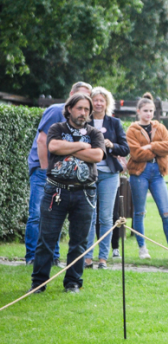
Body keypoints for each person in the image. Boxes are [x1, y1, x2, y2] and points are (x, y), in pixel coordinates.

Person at [29, 93, 106, 294]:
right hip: (56, 192)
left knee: (79, 242)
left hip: (84, 194)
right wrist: (81, 146)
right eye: (79, 108)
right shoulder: (57, 128)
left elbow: (97, 155)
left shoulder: (95, 133)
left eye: (86, 110)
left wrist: (67, 149)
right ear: (70, 109)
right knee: (46, 239)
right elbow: (53, 146)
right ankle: (38, 283)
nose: (83, 113)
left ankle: (73, 283)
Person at [25, 81, 92, 265]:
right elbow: (42, 141)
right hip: (43, 169)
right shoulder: (56, 110)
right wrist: (47, 171)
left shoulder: (81, 118)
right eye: (79, 95)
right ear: (71, 94)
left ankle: (53, 258)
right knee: (38, 214)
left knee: (54, 214)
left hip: (62, 172)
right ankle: (31, 257)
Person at [126, 93, 168, 260]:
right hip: (139, 173)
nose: (148, 114)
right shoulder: (132, 130)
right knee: (140, 212)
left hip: (158, 173)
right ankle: (143, 249)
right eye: (145, 111)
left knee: (166, 212)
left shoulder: (160, 127)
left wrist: (150, 145)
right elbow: (136, 154)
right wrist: (157, 150)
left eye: (151, 111)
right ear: (138, 111)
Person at [84, 87, 128, 269]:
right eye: (95, 100)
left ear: (107, 103)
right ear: (90, 102)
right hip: (88, 173)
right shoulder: (84, 122)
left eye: (102, 100)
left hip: (109, 174)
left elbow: (125, 149)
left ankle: (103, 258)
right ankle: (87, 257)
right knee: (89, 216)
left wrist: (112, 145)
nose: (98, 103)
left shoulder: (115, 123)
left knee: (106, 217)